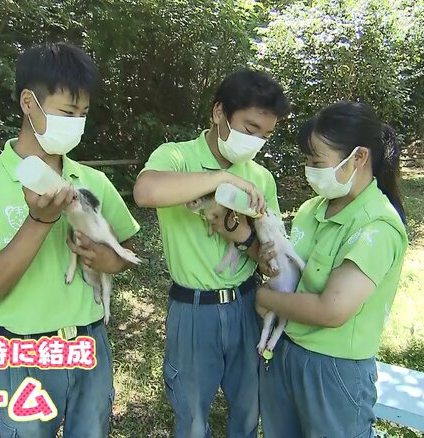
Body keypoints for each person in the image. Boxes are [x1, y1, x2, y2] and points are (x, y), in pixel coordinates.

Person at [0, 42, 140, 438]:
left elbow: (124, 253)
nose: (77, 123)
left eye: (83, 114)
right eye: (67, 112)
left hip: (90, 345)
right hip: (22, 355)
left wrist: (111, 261)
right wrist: (39, 220)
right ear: (28, 103)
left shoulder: (92, 181)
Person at [133, 69, 291, 438]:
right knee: (190, 418)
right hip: (192, 311)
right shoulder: (175, 156)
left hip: (246, 305)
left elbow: (267, 253)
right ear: (219, 112)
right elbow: (145, 191)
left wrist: (244, 238)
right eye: (249, 129)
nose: (255, 142)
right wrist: (221, 179)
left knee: (249, 410)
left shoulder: (261, 178)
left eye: (264, 136)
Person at [256, 101, 408, 437]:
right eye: (308, 162)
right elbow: (296, 273)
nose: (310, 171)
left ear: (358, 157)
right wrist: (270, 265)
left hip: (335, 370)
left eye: (317, 162)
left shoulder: (378, 225)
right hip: (287, 353)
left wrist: (264, 298)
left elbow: (332, 309)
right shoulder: (313, 209)